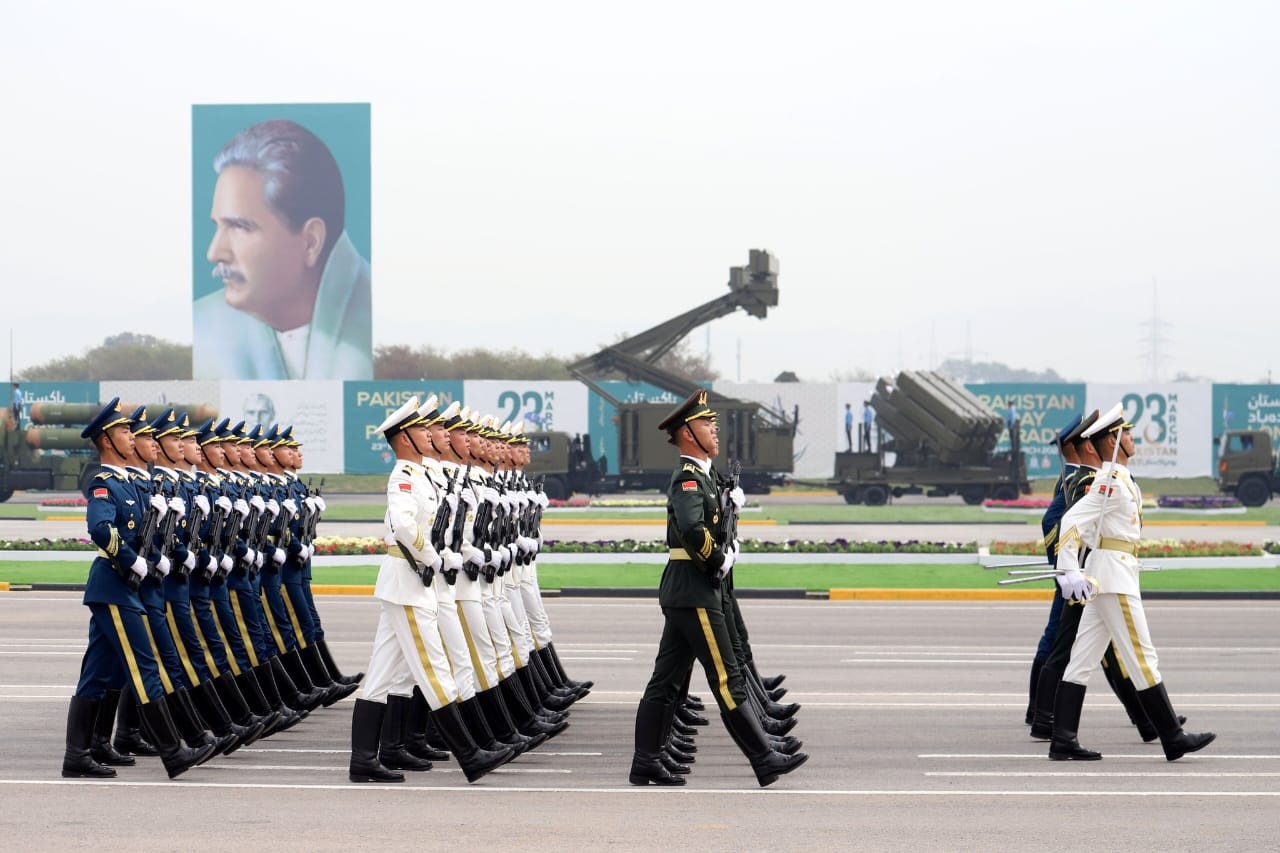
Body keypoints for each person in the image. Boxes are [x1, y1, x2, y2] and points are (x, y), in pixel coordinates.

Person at [629, 389, 808, 788]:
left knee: (667, 681)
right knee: (726, 678)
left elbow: (710, 523)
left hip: (688, 592)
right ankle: (763, 759)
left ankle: (646, 762)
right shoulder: (688, 479)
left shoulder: (704, 477)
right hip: (695, 591)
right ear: (688, 433)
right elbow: (693, 530)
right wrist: (718, 559)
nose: (715, 430)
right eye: (707, 424)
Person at [348, 396, 513, 784]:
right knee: (435, 668)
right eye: (422, 429)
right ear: (404, 438)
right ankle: (471, 756)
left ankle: (363, 760)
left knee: (384, 674)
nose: (431, 434)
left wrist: (436, 554)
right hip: (408, 580)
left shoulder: (420, 475)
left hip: (410, 581)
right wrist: (430, 556)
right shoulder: (403, 475)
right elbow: (405, 526)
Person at [1048, 404, 1216, 762]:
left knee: (1082, 658)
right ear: (1113, 440)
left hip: (1110, 573)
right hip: (1113, 578)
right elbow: (1071, 521)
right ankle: (1172, 737)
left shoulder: (1120, 477)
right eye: (1126, 432)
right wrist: (1068, 571)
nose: (1132, 437)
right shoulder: (1109, 480)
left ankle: (1062, 739)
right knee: (1141, 655)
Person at [60, 398, 215, 780]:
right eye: (125, 431)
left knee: (100, 672)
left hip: (124, 588)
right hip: (115, 585)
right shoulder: (103, 483)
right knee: (145, 664)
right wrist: (132, 561)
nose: (132, 436)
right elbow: (100, 528)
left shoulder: (133, 483)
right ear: (107, 441)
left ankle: (80, 753)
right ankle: (173, 751)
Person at [194, 119, 372, 380]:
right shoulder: (200, 330)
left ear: (311, 242)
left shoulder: (381, 328)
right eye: (218, 226)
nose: (214, 253)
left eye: (240, 227)